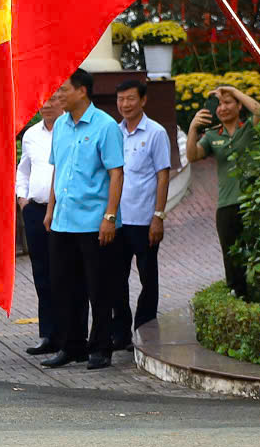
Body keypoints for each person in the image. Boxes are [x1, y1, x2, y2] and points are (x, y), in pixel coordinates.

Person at [44, 70, 125, 369]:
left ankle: (101, 347)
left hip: (94, 222)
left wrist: (110, 217)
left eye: (63, 90)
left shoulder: (105, 126)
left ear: (82, 92)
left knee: (99, 288)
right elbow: (58, 170)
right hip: (63, 221)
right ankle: (72, 346)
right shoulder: (61, 127)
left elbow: (116, 172)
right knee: (65, 287)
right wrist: (51, 210)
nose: (58, 95)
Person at [106, 80, 174, 352]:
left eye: (130, 99)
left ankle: (145, 329)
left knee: (148, 278)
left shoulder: (155, 132)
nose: (125, 104)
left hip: (145, 220)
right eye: (121, 99)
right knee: (115, 279)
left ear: (143, 101)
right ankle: (120, 333)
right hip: (119, 220)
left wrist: (158, 216)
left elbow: (163, 175)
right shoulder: (114, 132)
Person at [188, 82, 260, 299]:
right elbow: (192, 156)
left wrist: (233, 90)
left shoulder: (249, 128)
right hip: (226, 205)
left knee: (257, 252)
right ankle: (238, 296)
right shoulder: (212, 136)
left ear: (239, 106)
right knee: (231, 257)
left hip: (253, 203)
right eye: (219, 104)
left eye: (228, 103)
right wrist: (193, 128)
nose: (222, 108)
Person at [16, 100, 59, 350]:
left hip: (63, 212)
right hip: (35, 209)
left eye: (53, 99)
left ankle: (70, 333)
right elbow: (23, 169)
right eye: (43, 101)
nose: (47, 105)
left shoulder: (68, 129)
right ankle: (48, 334)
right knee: (41, 273)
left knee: (64, 273)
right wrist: (22, 198)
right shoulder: (31, 134)